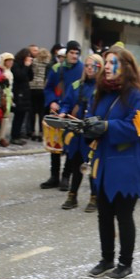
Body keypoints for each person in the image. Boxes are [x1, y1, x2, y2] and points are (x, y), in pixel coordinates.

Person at [84, 47, 140, 279]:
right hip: (104, 164)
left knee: (123, 215)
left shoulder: (136, 95)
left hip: (127, 166)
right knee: (104, 214)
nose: (108, 66)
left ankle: (126, 263)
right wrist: (87, 129)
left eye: (113, 62)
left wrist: (108, 127)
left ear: (126, 67)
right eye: (107, 62)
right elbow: (93, 119)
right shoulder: (101, 92)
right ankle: (106, 259)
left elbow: (137, 128)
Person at [60, 53, 102, 210]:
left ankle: (94, 197)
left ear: (100, 67)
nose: (90, 68)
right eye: (87, 65)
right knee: (75, 163)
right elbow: (66, 102)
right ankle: (72, 196)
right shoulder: (77, 85)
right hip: (77, 132)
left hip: (91, 132)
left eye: (93, 66)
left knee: (91, 166)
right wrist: (64, 111)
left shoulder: (102, 87)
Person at [40, 40, 83, 190]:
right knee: (55, 144)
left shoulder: (83, 69)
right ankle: (54, 176)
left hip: (73, 113)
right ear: (67, 53)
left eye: (77, 53)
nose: (74, 56)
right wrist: (51, 101)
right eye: (72, 52)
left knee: (71, 144)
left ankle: (66, 176)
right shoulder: (57, 68)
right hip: (58, 110)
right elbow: (48, 88)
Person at [10, 46, 35, 145]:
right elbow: (20, 76)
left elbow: (30, 77)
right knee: (18, 116)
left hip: (25, 93)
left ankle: (18, 134)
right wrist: (26, 66)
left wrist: (29, 67)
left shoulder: (26, 66)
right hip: (18, 93)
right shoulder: (16, 65)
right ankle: (14, 135)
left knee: (22, 115)